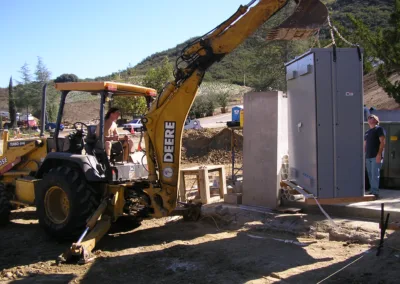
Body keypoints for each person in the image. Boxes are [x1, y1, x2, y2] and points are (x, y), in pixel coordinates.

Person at [364, 114, 386, 199]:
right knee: (370, 174)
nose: (369, 119)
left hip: (376, 156)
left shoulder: (379, 129)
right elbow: (365, 145)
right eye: (369, 118)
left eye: (372, 117)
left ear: (376, 120)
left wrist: (379, 155)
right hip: (368, 156)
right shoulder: (367, 132)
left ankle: (375, 192)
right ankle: (372, 191)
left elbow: (383, 142)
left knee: (375, 174)